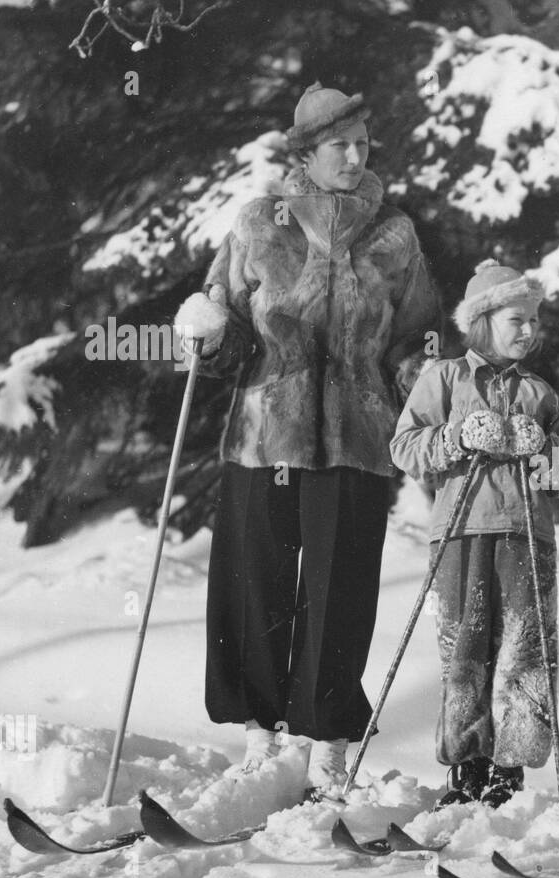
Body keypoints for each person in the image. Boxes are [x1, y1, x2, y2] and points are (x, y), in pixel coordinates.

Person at [172, 83, 441, 801]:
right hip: (267, 431)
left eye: (361, 144)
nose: (353, 157)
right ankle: (261, 737)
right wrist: (206, 328)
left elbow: (417, 335)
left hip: (356, 435)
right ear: (306, 154)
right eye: (337, 146)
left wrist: (423, 385)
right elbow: (223, 326)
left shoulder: (394, 234)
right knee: (253, 580)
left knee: (341, 587)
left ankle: (327, 745)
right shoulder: (260, 225)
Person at [391, 261, 559, 809]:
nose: (529, 331)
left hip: (525, 536)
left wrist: (543, 449)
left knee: (525, 651)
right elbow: (404, 448)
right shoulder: (443, 378)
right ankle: (467, 768)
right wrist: (457, 436)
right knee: (464, 648)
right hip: (460, 533)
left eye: (535, 322)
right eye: (517, 319)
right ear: (481, 320)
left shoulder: (539, 394)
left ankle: (510, 773)